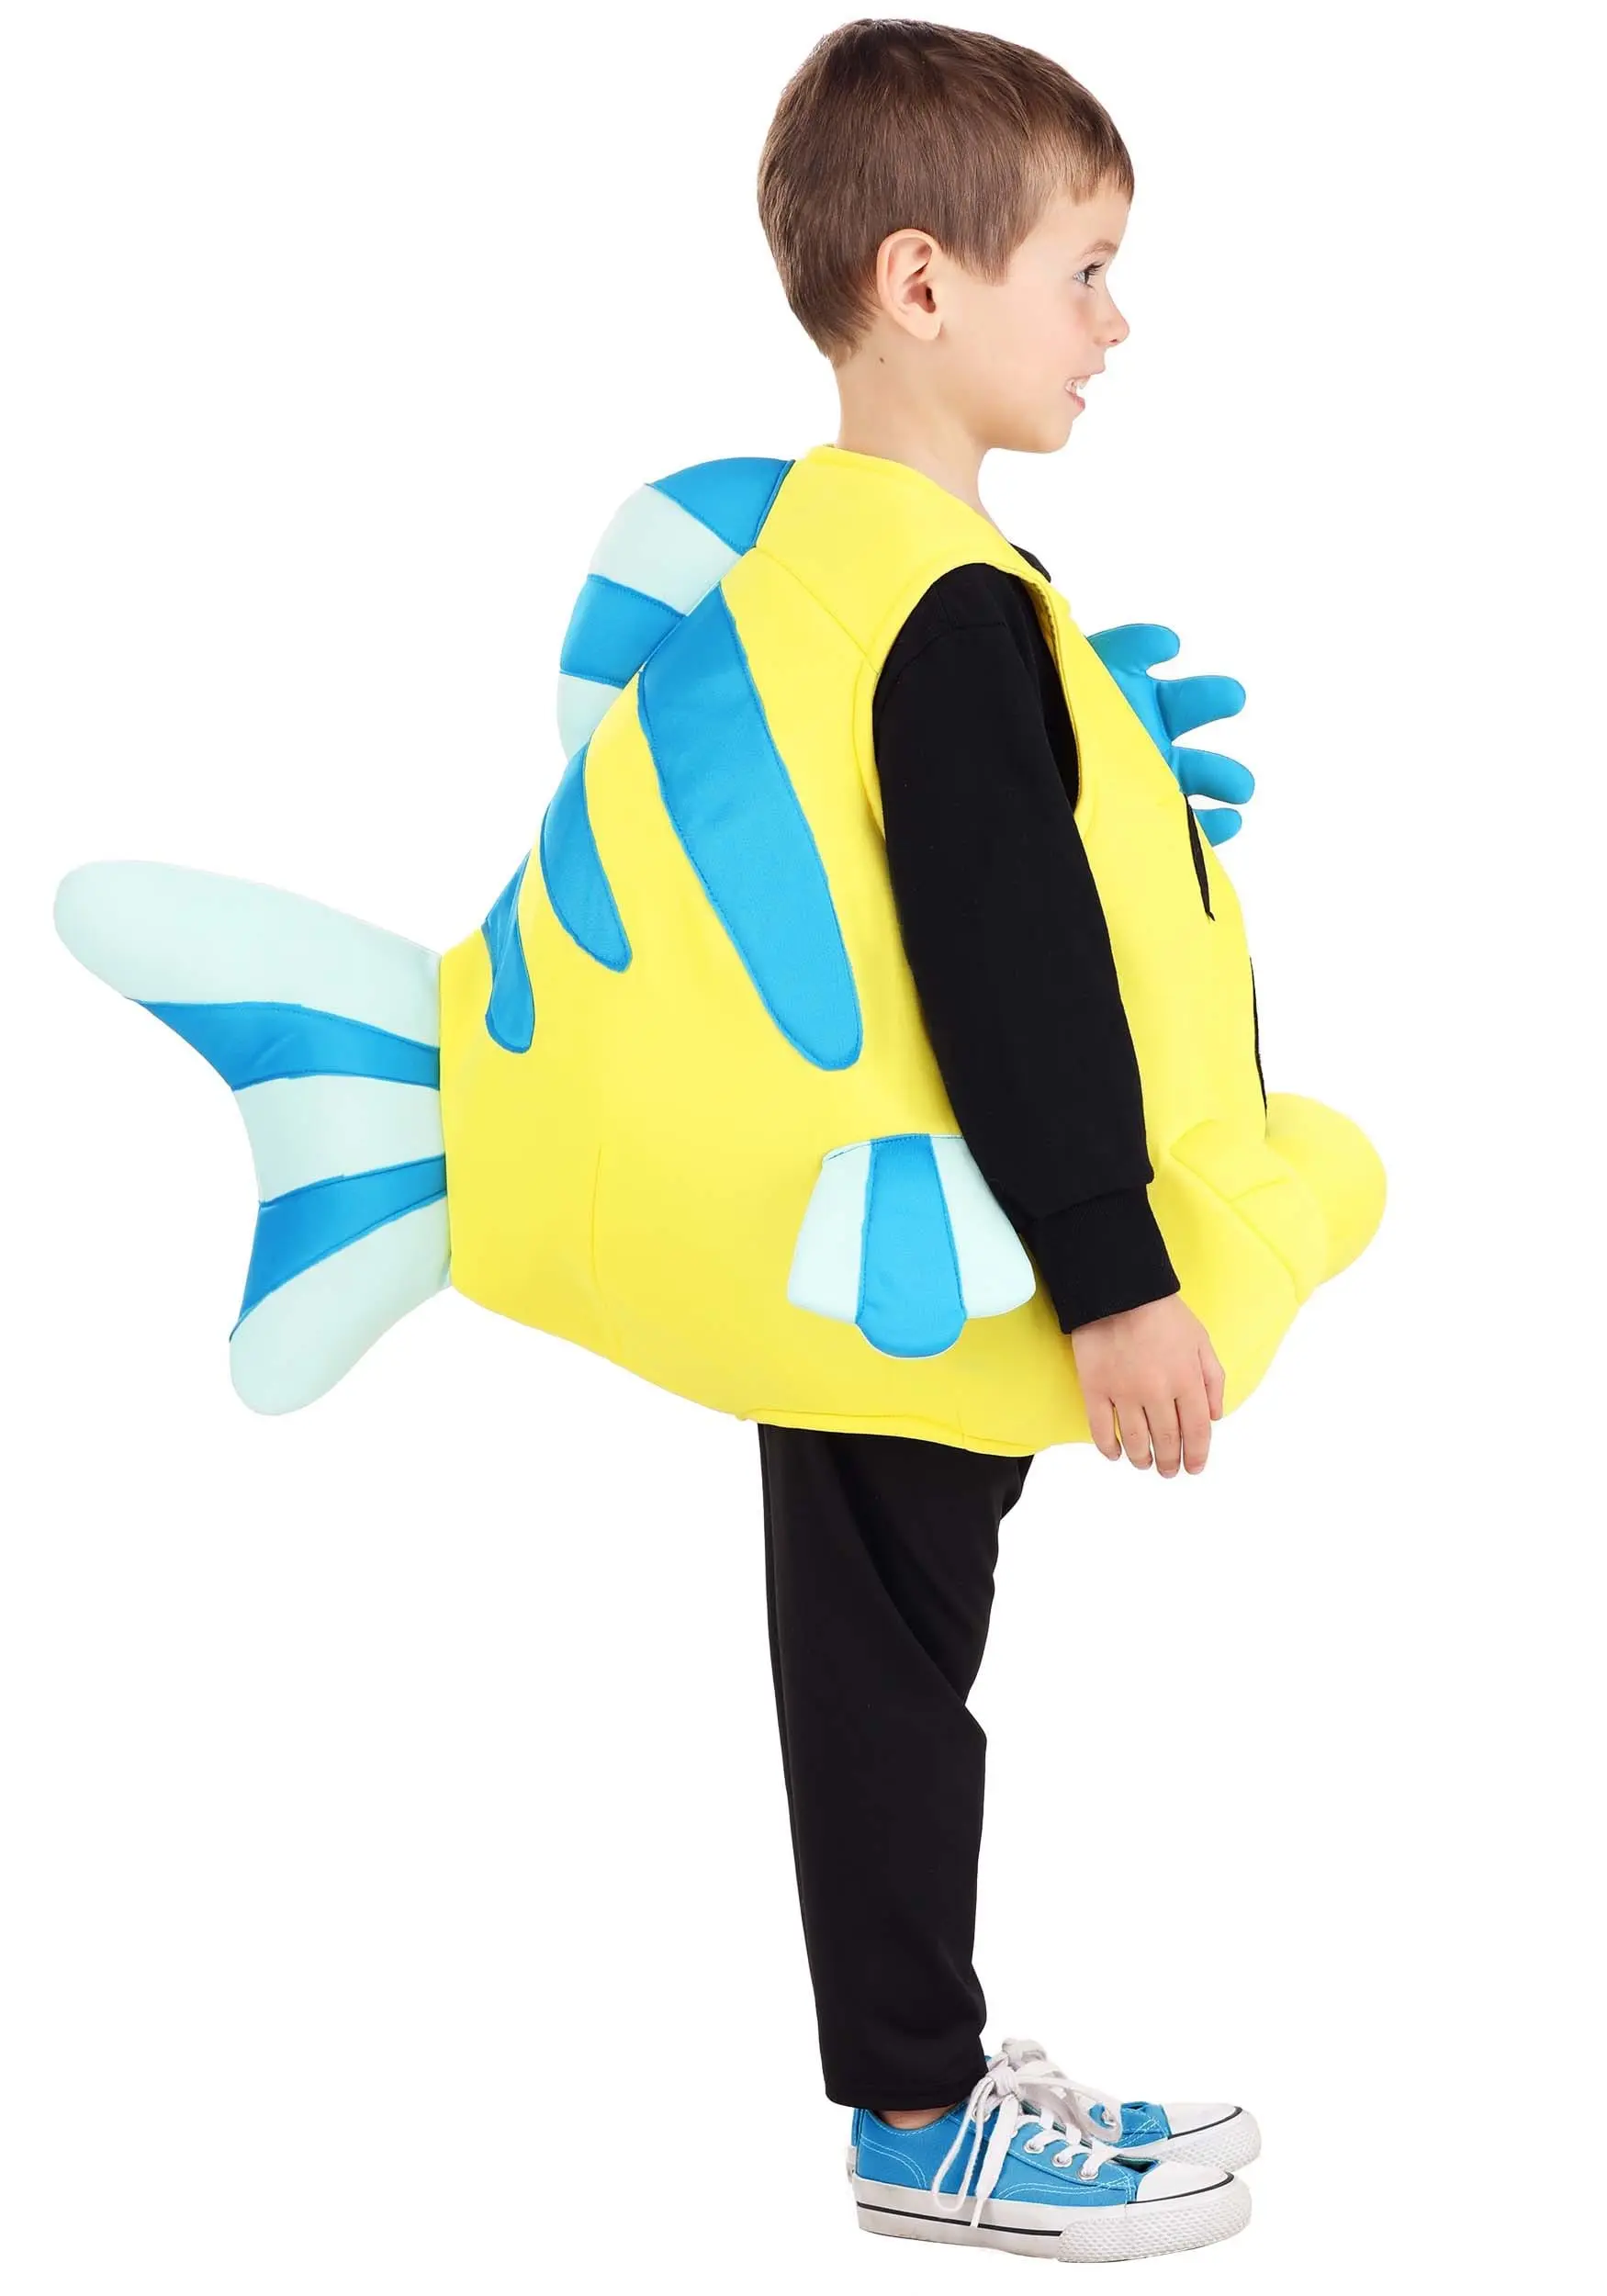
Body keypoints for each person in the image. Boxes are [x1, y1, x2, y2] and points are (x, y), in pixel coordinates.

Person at [752, 20, 1267, 2263]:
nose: (1112, 321)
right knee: (891, 1667)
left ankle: (930, 2064)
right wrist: (1112, 1271)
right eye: (1081, 269)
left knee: (878, 1647)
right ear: (919, 281)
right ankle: (913, 2112)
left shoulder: (830, 554)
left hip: (844, 1206)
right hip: (926, 1225)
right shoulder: (943, 598)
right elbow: (999, 952)